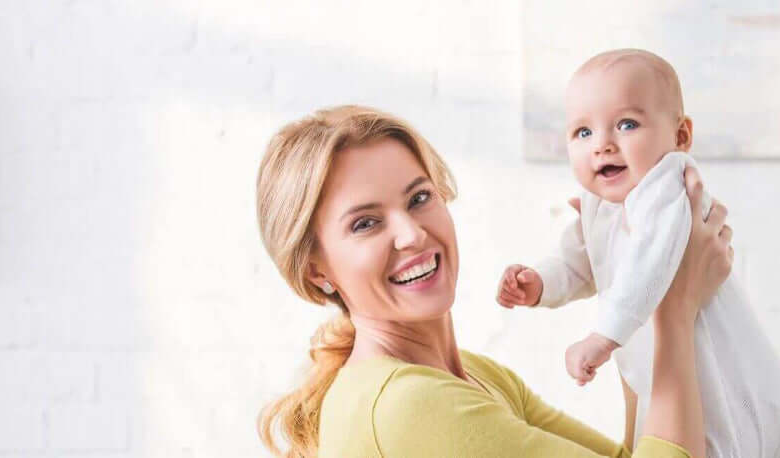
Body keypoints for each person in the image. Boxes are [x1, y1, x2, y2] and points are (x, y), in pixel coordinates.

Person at [254, 105, 733, 457]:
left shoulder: (476, 376)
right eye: (365, 223)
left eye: (419, 197)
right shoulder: (408, 405)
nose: (412, 233)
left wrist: (634, 283)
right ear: (317, 270)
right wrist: (673, 305)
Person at [495, 49, 780, 458]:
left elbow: (649, 261)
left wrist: (603, 337)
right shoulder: (600, 205)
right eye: (583, 132)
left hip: (734, 395)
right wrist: (540, 284)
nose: (602, 145)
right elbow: (578, 262)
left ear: (680, 136)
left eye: (626, 124)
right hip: (668, 383)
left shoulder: (666, 187)